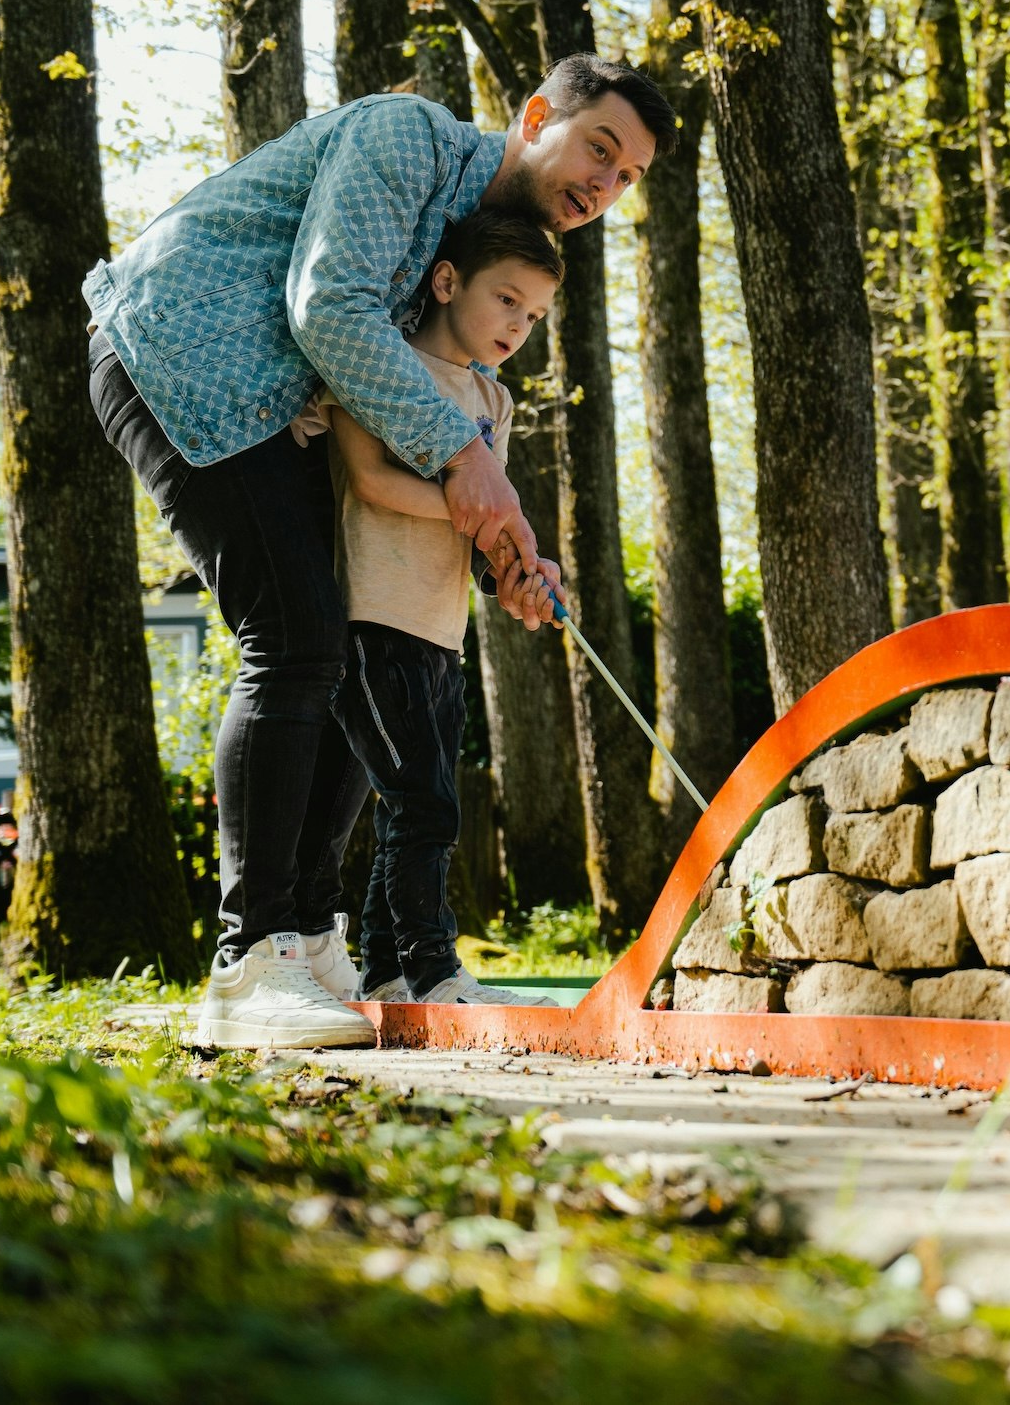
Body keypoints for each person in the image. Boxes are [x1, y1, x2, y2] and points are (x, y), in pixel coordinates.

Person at [84, 55, 677, 1049]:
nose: (604, 185)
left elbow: (400, 412)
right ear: (537, 116)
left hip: (283, 411)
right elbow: (329, 305)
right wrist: (462, 459)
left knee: (348, 639)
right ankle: (250, 958)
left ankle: (312, 940)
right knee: (295, 637)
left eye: (628, 178)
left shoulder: (469, 248)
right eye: (599, 149)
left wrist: (502, 550)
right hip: (182, 357)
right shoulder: (407, 140)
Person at [299, 207, 562, 1009]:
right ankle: (434, 969)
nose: (518, 325)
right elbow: (371, 481)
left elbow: (487, 531)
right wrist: (478, 511)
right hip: (372, 624)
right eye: (507, 299)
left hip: (442, 635)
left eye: (534, 315)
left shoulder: (494, 402)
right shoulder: (376, 362)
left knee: (417, 803)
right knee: (425, 804)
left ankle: (388, 972)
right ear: (447, 281)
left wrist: (517, 568)